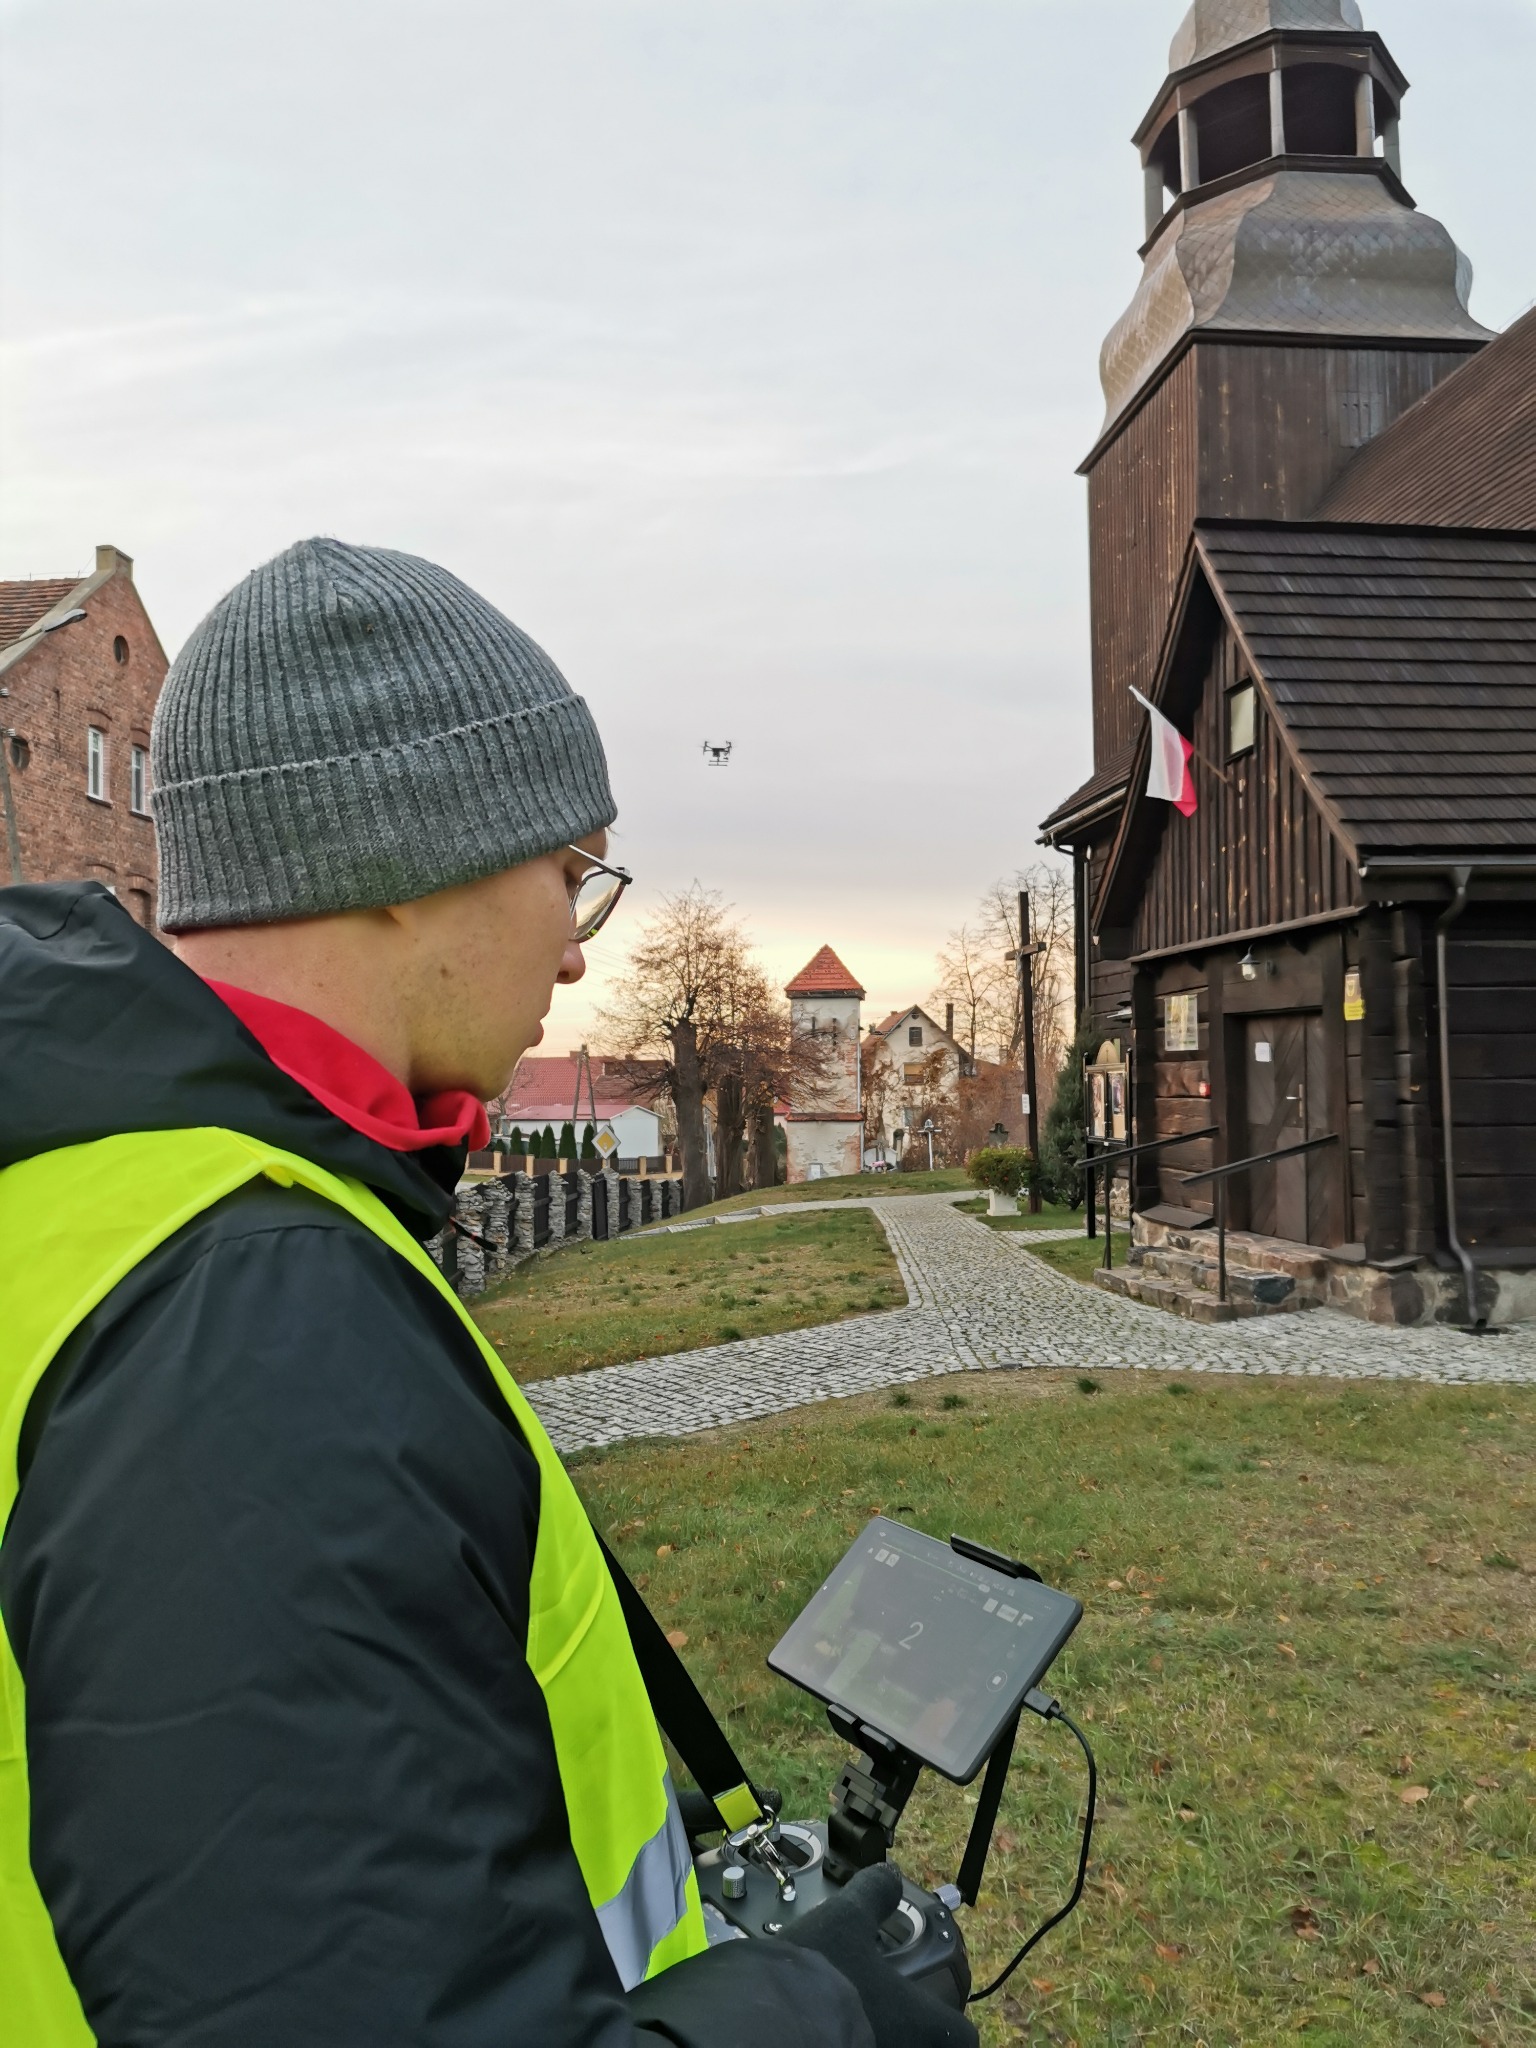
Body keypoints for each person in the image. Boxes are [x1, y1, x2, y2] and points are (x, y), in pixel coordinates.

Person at [0, 539, 977, 2048]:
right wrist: (834, 2010)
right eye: (570, 875)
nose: (578, 960)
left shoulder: (104, 1183)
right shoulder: (252, 1323)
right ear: (407, 860)